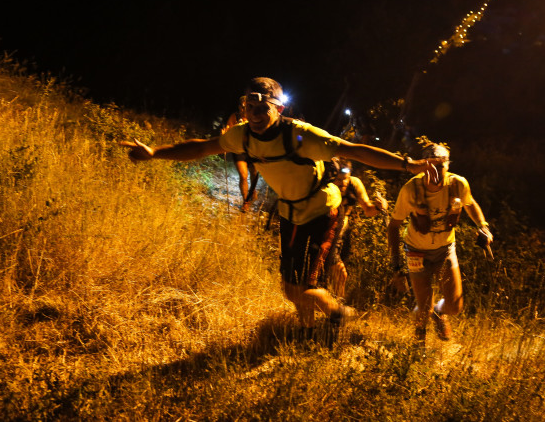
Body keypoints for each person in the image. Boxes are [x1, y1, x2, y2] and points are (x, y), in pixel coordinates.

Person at [121, 77, 438, 337]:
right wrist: (154, 153)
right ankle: (307, 332)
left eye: (263, 106)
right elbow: (201, 147)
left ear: (279, 108)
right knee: (291, 284)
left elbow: (354, 151)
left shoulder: (300, 135)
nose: (255, 113)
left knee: (298, 288)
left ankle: (339, 312)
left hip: (321, 210)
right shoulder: (241, 136)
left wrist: (408, 165)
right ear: (243, 108)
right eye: (249, 105)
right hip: (289, 212)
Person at [387, 143, 493, 344]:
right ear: (424, 166)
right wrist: (396, 265)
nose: (436, 172)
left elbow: (470, 204)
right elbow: (393, 226)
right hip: (416, 251)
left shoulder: (457, 184)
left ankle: (438, 312)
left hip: (444, 250)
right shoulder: (411, 189)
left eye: (441, 166)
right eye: (431, 166)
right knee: (422, 306)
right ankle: (418, 346)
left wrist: (483, 226)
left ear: (448, 166)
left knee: (454, 306)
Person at [327, 159, 388, 300]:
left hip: (344, 232)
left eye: (345, 179)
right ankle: (337, 308)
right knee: (340, 272)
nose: (343, 183)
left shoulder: (354, 183)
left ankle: (333, 304)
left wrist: (379, 207)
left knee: (336, 273)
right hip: (328, 231)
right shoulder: (326, 185)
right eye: (339, 179)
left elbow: (368, 209)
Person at [222, 95, 259, 212]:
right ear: (239, 107)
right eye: (242, 107)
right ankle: (245, 202)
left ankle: (252, 190)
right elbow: (228, 130)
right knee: (243, 176)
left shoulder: (254, 116)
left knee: (254, 174)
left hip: (253, 151)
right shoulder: (235, 117)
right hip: (238, 150)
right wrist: (224, 135)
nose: (244, 109)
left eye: (247, 106)